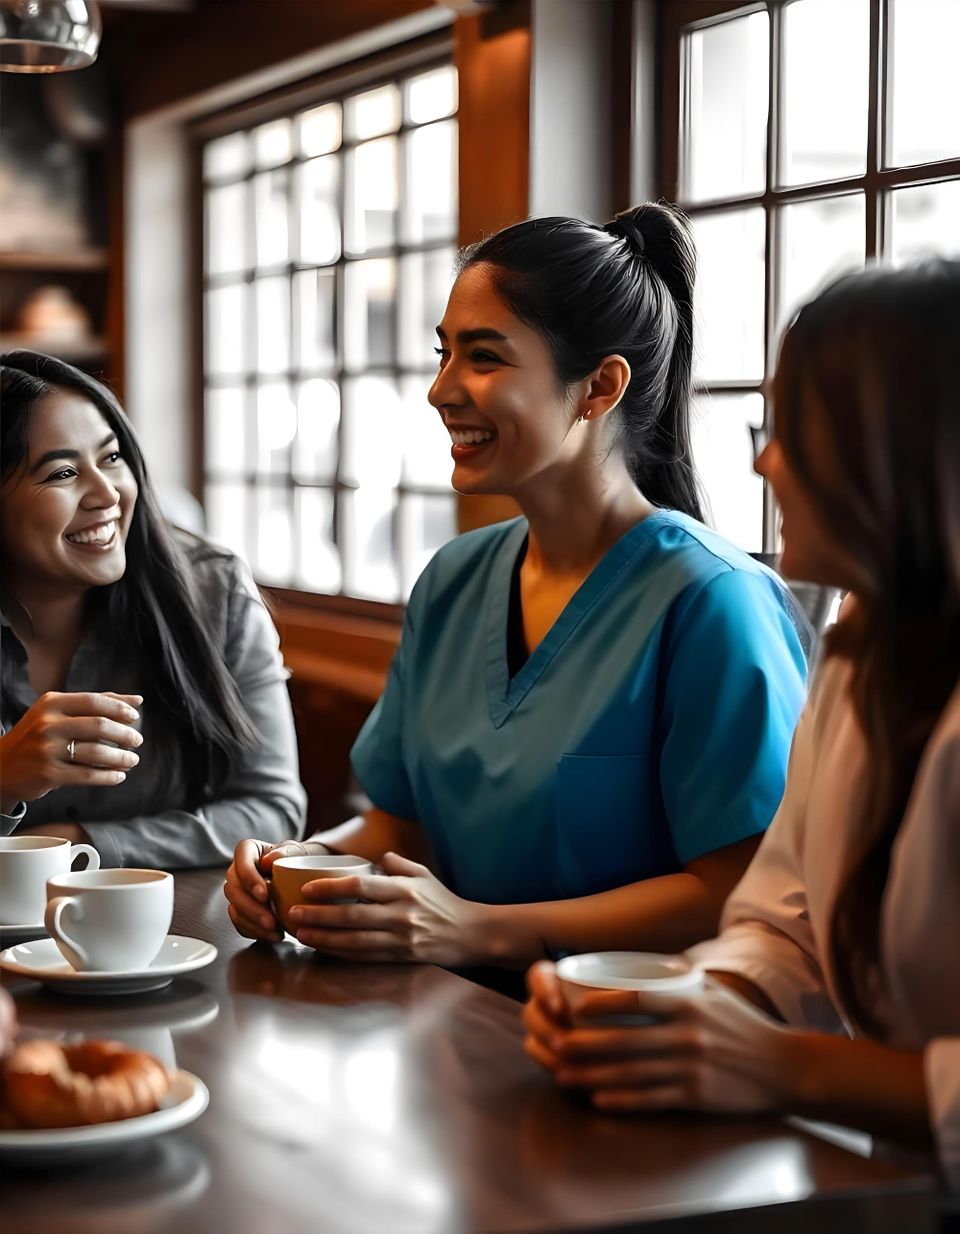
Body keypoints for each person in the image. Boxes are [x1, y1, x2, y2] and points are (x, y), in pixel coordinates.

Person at [224, 203, 808, 969]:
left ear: (599, 387)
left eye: (484, 357)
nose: (441, 390)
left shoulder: (713, 601)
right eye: (443, 354)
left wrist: (482, 929)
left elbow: (741, 894)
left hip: (622, 1046)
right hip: (442, 1029)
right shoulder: (454, 580)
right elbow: (398, 828)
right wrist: (292, 867)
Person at [522, 260, 960, 1188]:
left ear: (914, 454)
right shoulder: (858, 660)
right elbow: (784, 920)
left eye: (797, 431)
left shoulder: (717, 597)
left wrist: (781, 1065)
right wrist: (669, 1007)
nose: (764, 460)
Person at [0, 351, 306, 868]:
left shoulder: (215, 593)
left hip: (178, 936)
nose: (106, 494)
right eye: (63, 472)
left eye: (112, 457)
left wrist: (87, 842)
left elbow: (272, 809)